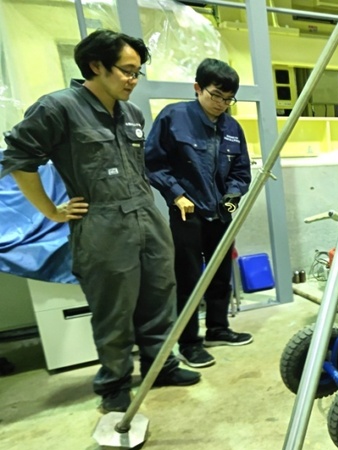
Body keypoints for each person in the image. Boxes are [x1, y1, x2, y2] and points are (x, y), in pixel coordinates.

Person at [1, 30, 200, 412]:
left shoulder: (132, 113)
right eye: (126, 71)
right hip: (103, 225)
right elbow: (19, 159)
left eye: (138, 72)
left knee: (160, 297)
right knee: (114, 310)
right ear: (96, 66)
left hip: (146, 217)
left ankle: (161, 365)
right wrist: (50, 211)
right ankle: (115, 383)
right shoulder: (58, 108)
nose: (133, 80)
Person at [145, 58, 253, 368]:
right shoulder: (173, 117)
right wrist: (176, 194)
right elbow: (153, 163)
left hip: (221, 212)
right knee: (188, 279)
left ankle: (218, 329)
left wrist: (234, 192)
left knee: (220, 275)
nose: (222, 104)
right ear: (197, 88)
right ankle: (189, 342)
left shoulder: (232, 127)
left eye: (229, 98)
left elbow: (241, 170)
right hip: (186, 214)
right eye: (216, 95)